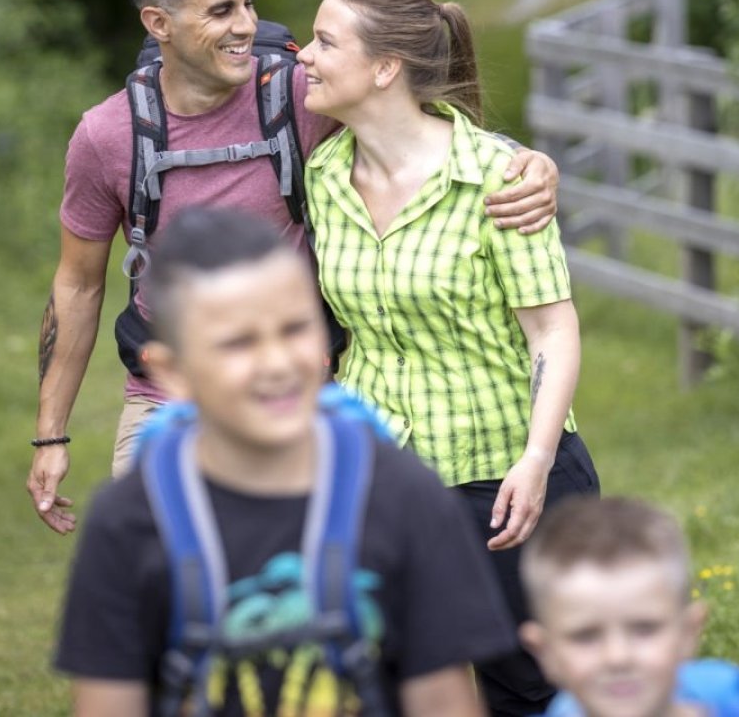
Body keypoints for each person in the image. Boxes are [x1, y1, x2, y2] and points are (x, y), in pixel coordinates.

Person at [28, 0, 558, 535]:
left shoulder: (302, 99)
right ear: (158, 23)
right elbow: (78, 285)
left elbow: (421, 130)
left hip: (298, 398)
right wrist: (51, 435)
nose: (247, 26)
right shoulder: (108, 137)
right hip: (167, 402)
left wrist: (528, 162)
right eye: (221, 10)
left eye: (248, 2)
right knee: (161, 583)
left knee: (300, 595)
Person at [53, 206, 515, 716]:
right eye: (237, 343)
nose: (275, 363)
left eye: (295, 329)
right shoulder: (130, 520)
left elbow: (442, 702)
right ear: (172, 373)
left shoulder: (407, 496)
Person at [298, 0, 600, 717]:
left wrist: (534, 459)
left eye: (325, 41)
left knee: (531, 690)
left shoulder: (498, 179)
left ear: (384, 67)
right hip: (382, 483)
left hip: (502, 482)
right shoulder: (323, 175)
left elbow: (553, 330)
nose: (303, 54)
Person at [518, 497, 739, 717]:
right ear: (544, 651)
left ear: (689, 632)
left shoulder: (731, 695)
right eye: (586, 636)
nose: (618, 657)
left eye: (644, 629)